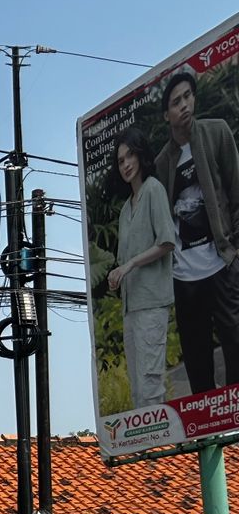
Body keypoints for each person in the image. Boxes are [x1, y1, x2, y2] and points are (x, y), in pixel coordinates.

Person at [155, 66, 239, 395]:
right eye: (176, 102)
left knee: (234, 340)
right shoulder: (163, 163)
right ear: (166, 114)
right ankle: (206, 432)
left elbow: (235, 191)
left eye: (188, 96)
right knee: (196, 354)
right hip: (185, 275)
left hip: (222, 262)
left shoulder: (217, 132)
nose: (185, 105)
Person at [108, 129, 176, 408]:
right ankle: (147, 450)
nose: (126, 164)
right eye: (121, 159)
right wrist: (117, 275)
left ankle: (161, 447)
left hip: (151, 302)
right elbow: (125, 260)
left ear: (141, 155)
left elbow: (167, 241)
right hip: (130, 307)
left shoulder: (153, 189)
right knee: (137, 388)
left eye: (130, 155)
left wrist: (131, 264)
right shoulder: (125, 209)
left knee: (150, 383)